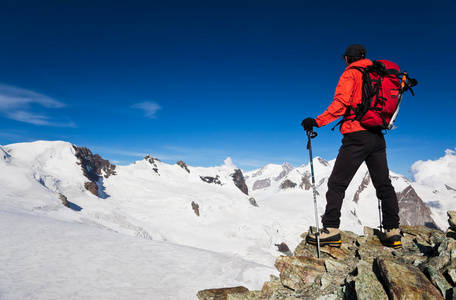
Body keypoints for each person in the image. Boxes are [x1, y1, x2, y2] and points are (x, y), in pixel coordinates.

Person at [301, 44, 402, 249]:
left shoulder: (351, 74)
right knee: (383, 184)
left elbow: (340, 104)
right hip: (377, 135)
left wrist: (317, 121)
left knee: (337, 183)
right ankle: (393, 232)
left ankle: (330, 230)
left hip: (356, 134)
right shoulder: (377, 74)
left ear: (347, 58)